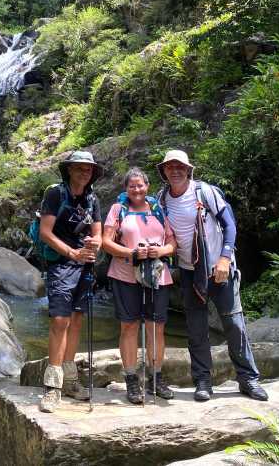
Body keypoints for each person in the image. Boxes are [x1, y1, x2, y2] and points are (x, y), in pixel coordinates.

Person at [156, 149, 268, 402]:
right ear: (163, 171)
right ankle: (203, 381)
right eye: (170, 166)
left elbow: (230, 224)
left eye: (180, 166)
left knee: (234, 324)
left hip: (219, 268)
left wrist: (225, 259)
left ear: (188, 169)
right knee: (196, 329)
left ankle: (248, 379)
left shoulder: (204, 192)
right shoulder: (161, 199)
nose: (175, 170)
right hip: (188, 272)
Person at [101, 167, 176, 404]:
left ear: (148, 186)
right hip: (125, 275)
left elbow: (172, 242)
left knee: (157, 328)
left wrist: (161, 250)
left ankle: (156, 378)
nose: (136, 189)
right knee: (129, 327)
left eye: (140, 185)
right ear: (126, 188)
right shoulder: (117, 209)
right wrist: (131, 253)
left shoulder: (157, 209)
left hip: (156, 275)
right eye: (132, 186)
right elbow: (106, 242)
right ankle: (132, 379)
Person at [38, 150, 103, 413]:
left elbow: (98, 234)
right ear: (69, 170)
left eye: (88, 169)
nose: (84, 172)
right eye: (79, 168)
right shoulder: (55, 194)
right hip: (61, 265)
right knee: (60, 321)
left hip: (85, 266)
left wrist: (93, 245)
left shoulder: (92, 198)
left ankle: (71, 381)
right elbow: (45, 232)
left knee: (76, 321)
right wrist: (72, 252)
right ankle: (52, 388)